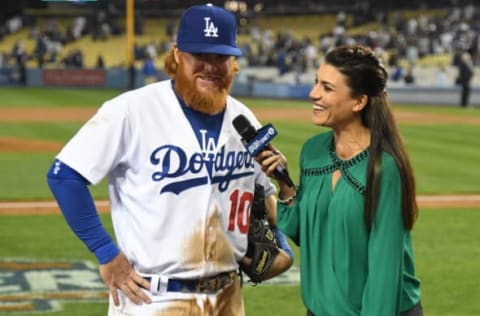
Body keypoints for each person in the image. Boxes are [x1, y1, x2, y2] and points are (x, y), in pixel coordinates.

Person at [46, 4, 292, 316]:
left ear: (234, 62)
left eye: (221, 57)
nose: (211, 66)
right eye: (199, 56)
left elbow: (263, 199)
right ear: (176, 55)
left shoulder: (243, 118)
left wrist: (281, 240)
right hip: (151, 299)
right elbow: (64, 176)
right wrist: (107, 254)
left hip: (228, 298)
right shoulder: (131, 110)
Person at [256, 44, 422, 316]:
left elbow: (384, 271)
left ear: (359, 101)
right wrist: (285, 184)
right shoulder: (312, 152)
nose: (313, 94)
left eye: (327, 88)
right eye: (315, 83)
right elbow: (307, 233)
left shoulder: (385, 167)